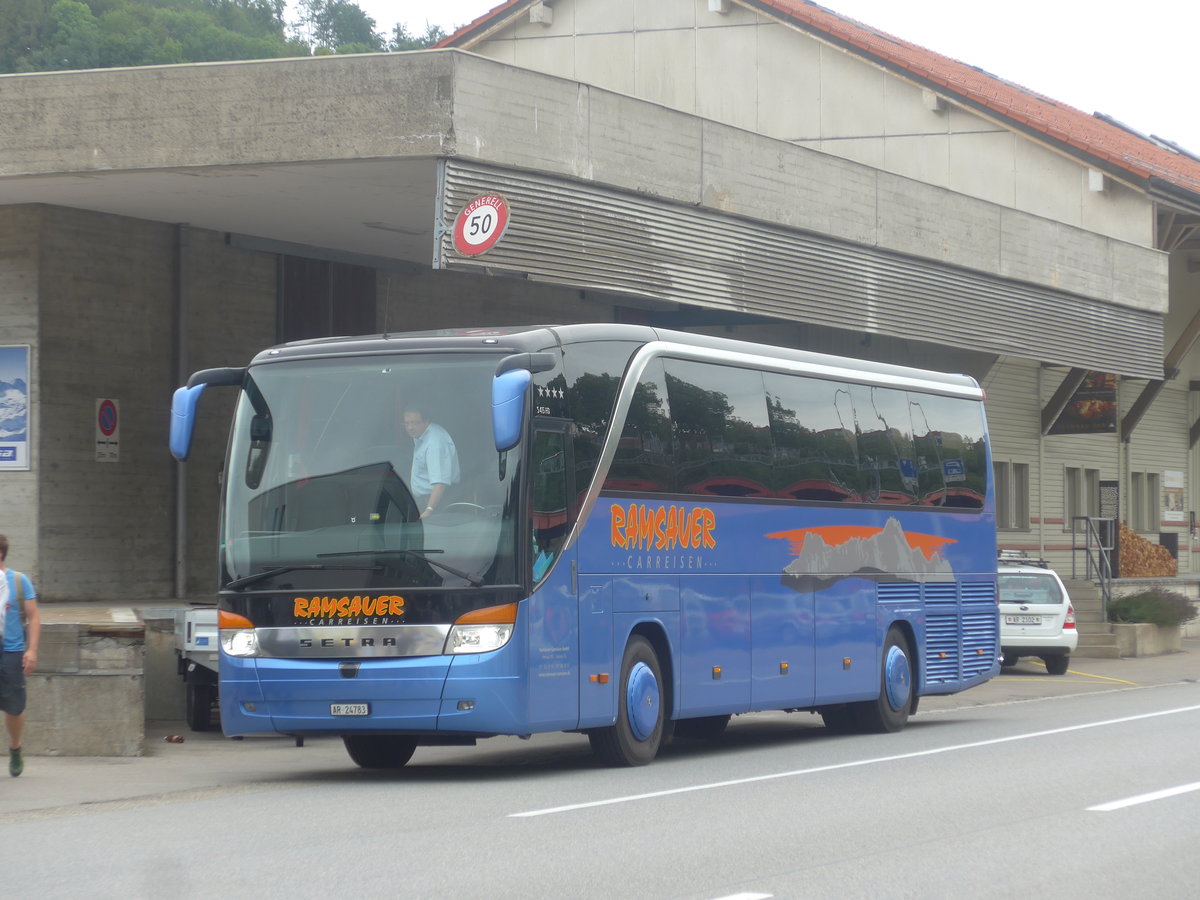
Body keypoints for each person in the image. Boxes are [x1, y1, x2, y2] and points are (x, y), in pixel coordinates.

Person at [0, 534, 40, 778]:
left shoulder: (18, 581)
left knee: (14, 708)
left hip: (11, 650)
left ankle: (15, 748)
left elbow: (33, 617)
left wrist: (32, 650)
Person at [402, 405, 460, 520]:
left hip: (435, 503)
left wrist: (429, 510)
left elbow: (440, 483)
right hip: (427, 500)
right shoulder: (422, 433)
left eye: (414, 423)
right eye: (407, 423)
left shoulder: (435, 444)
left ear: (426, 421)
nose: (410, 428)